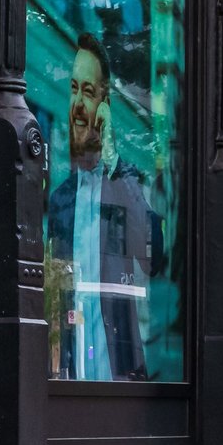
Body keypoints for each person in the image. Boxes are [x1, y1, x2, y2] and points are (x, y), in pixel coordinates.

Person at [47, 32, 160, 380]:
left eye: (89, 92)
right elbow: (54, 294)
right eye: (74, 89)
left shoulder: (124, 184)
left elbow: (151, 259)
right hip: (71, 376)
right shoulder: (60, 200)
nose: (79, 103)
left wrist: (112, 158)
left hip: (120, 376)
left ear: (104, 106)